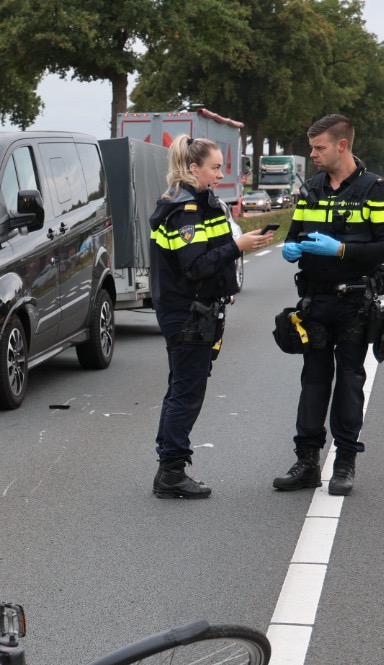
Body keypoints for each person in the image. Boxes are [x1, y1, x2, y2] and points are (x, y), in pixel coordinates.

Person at [272, 113, 384, 496]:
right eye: (311, 147)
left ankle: (345, 461)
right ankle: (307, 462)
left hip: (353, 301)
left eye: (319, 147)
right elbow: (294, 234)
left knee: (348, 382)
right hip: (314, 300)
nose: (312, 153)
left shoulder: (374, 189)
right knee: (312, 382)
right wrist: (290, 248)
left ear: (341, 145)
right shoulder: (310, 188)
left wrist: (343, 249)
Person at [149, 135, 278, 498]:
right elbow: (194, 266)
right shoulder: (185, 209)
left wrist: (225, 281)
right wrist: (238, 246)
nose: (221, 174)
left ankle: (168, 466)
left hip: (196, 309)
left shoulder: (200, 202)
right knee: (187, 392)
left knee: (181, 388)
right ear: (194, 168)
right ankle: (171, 472)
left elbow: (208, 257)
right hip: (186, 313)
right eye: (215, 167)